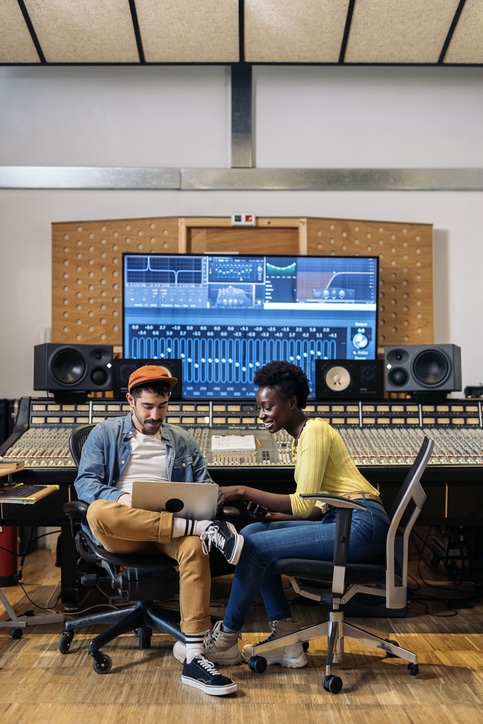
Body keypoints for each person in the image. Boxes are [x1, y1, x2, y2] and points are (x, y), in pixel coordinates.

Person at [185, 360, 390, 677]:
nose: (261, 415)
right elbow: (313, 509)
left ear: (292, 403)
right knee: (253, 529)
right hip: (341, 520)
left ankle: (226, 638)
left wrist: (242, 490)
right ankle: (286, 636)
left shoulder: (316, 431)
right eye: (259, 407)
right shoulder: (302, 439)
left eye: (267, 407)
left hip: (362, 526)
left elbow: (300, 503)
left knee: (252, 546)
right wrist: (270, 515)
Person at [74, 364, 244, 697]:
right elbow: (85, 483)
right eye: (148, 407)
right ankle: (198, 528)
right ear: (130, 401)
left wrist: (205, 499)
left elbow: (205, 484)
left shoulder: (181, 440)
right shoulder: (105, 433)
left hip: (172, 533)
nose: (156, 414)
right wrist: (121, 497)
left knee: (195, 547)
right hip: (125, 529)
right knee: (98, 511)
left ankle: (195, 657)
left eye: (162, 407)